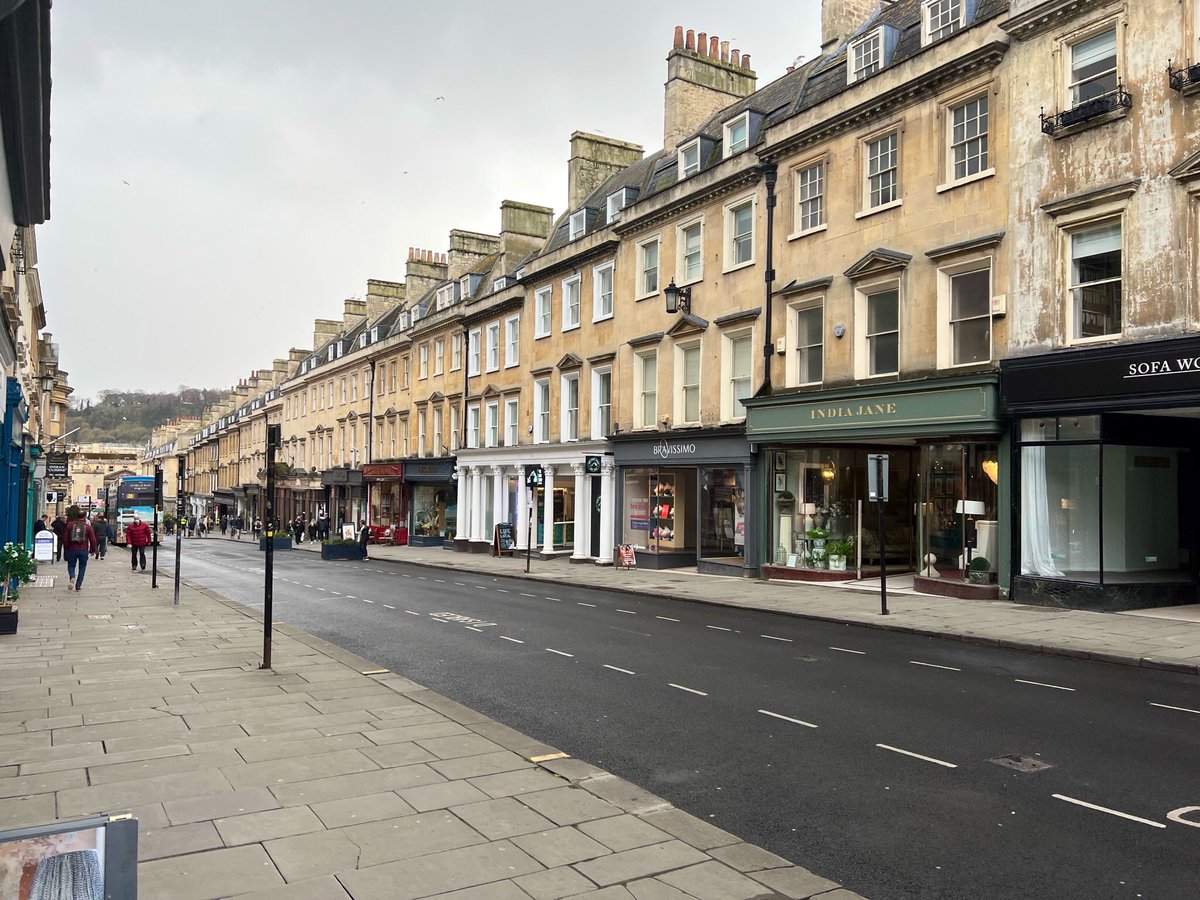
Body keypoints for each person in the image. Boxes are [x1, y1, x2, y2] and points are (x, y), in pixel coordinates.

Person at [62, 505, 97, 591]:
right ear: (85, 517)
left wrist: (66, 547)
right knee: (82, 567)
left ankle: (72, 576)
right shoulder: (88, 527)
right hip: (83, 550)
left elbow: (65, 538)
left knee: (71, 565)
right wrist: (93, 550)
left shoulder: (70, 525)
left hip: (72, 549)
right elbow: (93, 539)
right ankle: (78, 585)